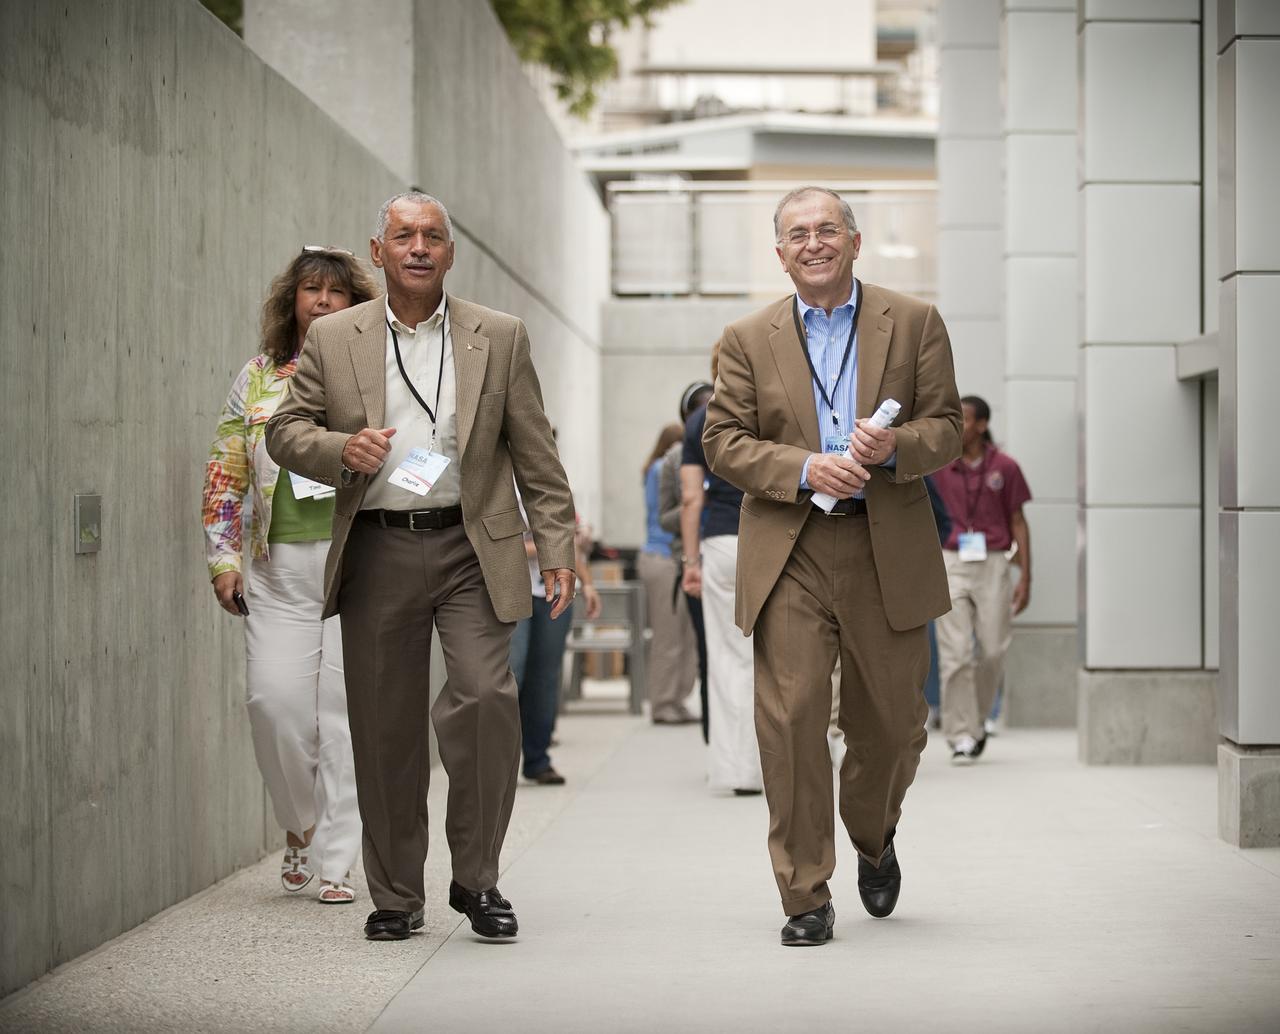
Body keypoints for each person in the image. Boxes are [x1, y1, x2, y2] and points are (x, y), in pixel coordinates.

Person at [265, 191, 576, 942]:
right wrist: (342, 450)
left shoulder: (498, 335)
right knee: (384, 727)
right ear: (378, 251)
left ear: (449, 252)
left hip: (473, 546)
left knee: (486, 700)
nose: (418, 247)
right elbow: (285, 431)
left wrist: (559, 544)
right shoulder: (336, 337)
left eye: (432, 236)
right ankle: (398, 895)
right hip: (378, 545)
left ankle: (477, 880)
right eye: (403, 235)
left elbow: (535, 447)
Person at [702, 185, 960, 946]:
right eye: (795, 233)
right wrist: (807, 467)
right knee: (791, 719)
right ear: (778, 252)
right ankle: (805, 893)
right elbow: (724, 443)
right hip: (792, 547)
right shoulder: (747, 337)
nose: (812, 243)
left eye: (826, 229)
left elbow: (944, 428)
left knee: (892, 727)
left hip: (888, 546)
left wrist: (898, 449)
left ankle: (874, 837)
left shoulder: (914, 322)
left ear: (854, 240)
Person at [203, 246, 377, 904]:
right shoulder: (257, 379)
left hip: (353, 568)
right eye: (311, 289)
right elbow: (225, 474)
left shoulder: (376, 376)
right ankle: (300, 827)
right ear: (293, 301)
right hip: (275, 573)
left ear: (357, 305)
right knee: (273, 706)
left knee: (340, 718)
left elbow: (419, 460)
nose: (324, 300)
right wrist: (223, 559)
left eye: (337, 292)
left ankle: (337, 861)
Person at [930, 395, 1031, 763]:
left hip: (993, 563)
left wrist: (1026, 579)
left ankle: (977, 721)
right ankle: (959, 735)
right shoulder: (939, 467)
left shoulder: (1005, 467)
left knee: (991, 650)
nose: (958, 425)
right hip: (951, 560)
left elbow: (1019, 522)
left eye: (966, 419)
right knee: (955, 653)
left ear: (983, 425)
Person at [682, 349, 764, 797]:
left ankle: (737, 769)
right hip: (769, 541)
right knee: (773, 658)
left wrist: (690, 563)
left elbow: (692, 499)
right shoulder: (771, 410)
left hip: (718, 543)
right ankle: (777, 763)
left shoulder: (699, 422)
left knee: (727, 657)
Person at [510, 495, 601, 784]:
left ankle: (538, 759)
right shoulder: (499, 480)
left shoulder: (552, 486)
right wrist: (540, 547)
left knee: (545, 677)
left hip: (554, 594)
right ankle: (501, 763)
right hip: (512, 590)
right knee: (513, 674)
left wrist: (587, 584)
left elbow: (568, 541)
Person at [659, 381, 714, 740]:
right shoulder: (674, 459)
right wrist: (698, 503)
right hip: (693, 558)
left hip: (738, 553)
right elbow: (664, 517)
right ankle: (714, 735)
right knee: (708, 652)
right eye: (699, 408)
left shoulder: (736, 445)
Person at [640, 423, 700, 724]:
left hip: (679, 559)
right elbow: (670, 513)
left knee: (686, 636)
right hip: (662, 557)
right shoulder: (661, 467)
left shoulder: (661, 465)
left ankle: (677, 699)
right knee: (669, 637)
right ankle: (662, 703)